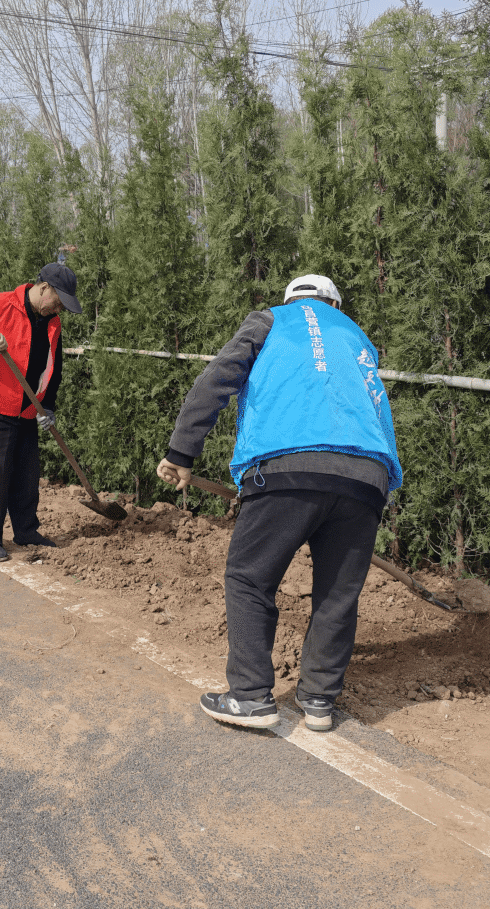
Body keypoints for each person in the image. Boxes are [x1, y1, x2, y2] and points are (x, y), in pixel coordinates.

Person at [157, 274, 402, 733]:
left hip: (287, 465)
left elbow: (216, 381)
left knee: (250, 578)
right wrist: (381, 483)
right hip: (366, 476)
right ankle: (319, 700)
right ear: (334, 304)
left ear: (290, 300)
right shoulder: (355, 337)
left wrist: (181, 453)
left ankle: (250, 696)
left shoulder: (270, 321)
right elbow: (377, 407)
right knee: (338, 594)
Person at [0, 263, 82, 562]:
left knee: (27, 475)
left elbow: (54, 367)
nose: (59, 308)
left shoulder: (52, 322)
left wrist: (48, 405)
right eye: (58, 300)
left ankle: (26, 531)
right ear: (44, 287)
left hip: (28, 408)